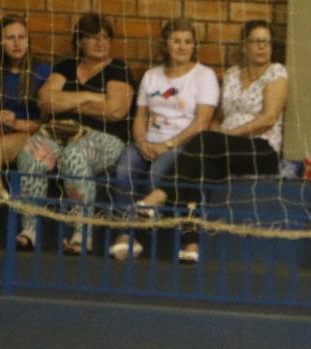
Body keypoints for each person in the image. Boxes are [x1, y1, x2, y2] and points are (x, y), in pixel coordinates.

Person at [169, 19, 288, 263]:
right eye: (256, 41)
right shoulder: (232, 74)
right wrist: (218, 134)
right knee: (197, 168)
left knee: (203, 140)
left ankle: (160, 193)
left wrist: (226, 136)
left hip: (260, 149)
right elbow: (219, 118)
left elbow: (268, 118)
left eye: (266, 42)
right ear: (244, 45)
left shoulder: (277, 72)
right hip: (226, 149)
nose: (262, 47)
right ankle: (190, 241)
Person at [16, 13, 134, 254]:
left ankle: (82, 234)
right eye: (93, 37)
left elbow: (115, 110)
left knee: (74, 156)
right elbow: (45, 101)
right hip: (60, 133)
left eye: (105, 37)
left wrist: (67, 102)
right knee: (30, 152)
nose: (100, 42)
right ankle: (30, 230)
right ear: (79, 41)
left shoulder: (117, 68)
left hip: (104, 137)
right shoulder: (66, 67)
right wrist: (90, 96)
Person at [107, 18, 218, 261]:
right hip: (148, 142)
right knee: (125, 167)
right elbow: (140, 116)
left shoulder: (204, 76)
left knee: (158, 170)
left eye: (187, 42)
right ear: (166, 44)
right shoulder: (151, 76)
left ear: (194, 46)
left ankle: (146, 234)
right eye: (176, 41)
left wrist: (166, 145)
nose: (182, 46)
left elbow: (202, 122)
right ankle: (125, 234)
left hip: (183, 145)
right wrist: (141, 141)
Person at [0, 16, 49, 247]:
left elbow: (45, 123)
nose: (17, 43)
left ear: (28, 40)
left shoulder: (42, 70)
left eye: (22, 37)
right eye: (10, 38)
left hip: (27, 133)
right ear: (0, 42)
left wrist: (16, 122)